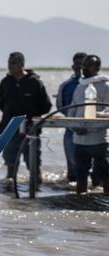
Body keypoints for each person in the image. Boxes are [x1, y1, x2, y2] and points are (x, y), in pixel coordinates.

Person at [0, 52, 52, 181]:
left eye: (14, 63)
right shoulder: (6, 82)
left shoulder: (35, 82)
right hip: (9, 129)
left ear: (22, 64)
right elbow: (1, 104)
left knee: (33, 163)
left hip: (30, 130)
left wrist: (31, 116)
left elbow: (46, 106)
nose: (10, 66)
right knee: (10, 164)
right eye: (9, 63)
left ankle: (36, 189)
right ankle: (9, 193)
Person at [70, 54, 109, 195]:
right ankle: (79, 202)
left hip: (98, 140)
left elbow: (107, 111)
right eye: (84, 64)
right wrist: (74, 126)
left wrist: (90, 128)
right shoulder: (80, 86)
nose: (84, 67)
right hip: (79, 140)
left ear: (97, 67)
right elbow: (73, 109)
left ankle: (105, 203)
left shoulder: (105, 85)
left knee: (105, 175)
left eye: (88, 65)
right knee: (80, 176)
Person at [56, 52, 88, 184]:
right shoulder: (66, 85)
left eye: (83, 64)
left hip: (96, 130)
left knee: (98, 166)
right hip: (71, 130)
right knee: (72, 164)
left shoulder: (100, 84)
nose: (80, 67)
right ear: (73, 66)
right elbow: (60, 105)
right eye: (77, 65)